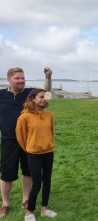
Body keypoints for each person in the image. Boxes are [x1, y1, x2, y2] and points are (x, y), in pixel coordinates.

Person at [0, 67, 52, 218]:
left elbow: (46, 94)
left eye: (23, 78)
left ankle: (26, 199)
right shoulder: (1, 94)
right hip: (9, 141)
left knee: (28, 172)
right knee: (7, 174)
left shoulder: (29, 94)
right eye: (17, 78)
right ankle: (5, 204)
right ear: (9, 79)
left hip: (30, 141)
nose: (21, 80)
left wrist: (48, 77)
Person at [16, 89, 57, 221]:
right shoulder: (24, 117)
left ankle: (44, 209)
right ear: (32, 99)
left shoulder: (49, 115)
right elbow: (21, 137)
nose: (44, 99)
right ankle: (30, 212)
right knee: (37, 183)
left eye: (45, 97)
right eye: (41, 97)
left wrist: (48, 145)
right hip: (33, 154)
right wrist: (31, 148)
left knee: (47, 181)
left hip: (48, 153)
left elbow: (51, 133)